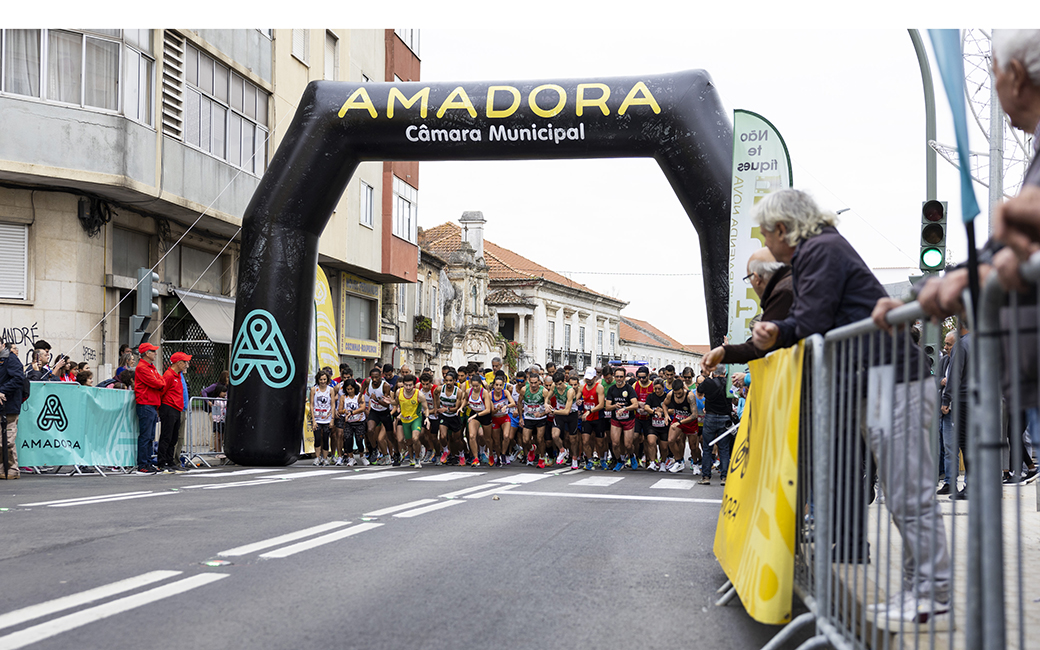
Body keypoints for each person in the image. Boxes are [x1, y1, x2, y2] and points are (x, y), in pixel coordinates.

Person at [752, 188, 951, 629]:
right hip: (881, 378)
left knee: (907, 493)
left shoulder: (819, 250)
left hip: (890, 379)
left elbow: (812, 319)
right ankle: (919, 592)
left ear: (782, 229)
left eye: (766, 234)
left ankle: (934, 596)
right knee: (903, 494)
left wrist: (775, 331)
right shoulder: (821, 248)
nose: (766, 244)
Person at [702, 248, 794, 373]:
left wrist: (725, 352)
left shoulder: (783, 293)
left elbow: (762, 345)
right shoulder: (794, 283)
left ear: (756, 278)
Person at [696, 368, 732, 485]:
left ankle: (706, 477)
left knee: (707, 448)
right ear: (724, 372)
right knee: (724, 449)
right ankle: (724, 477)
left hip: (710, 416)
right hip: (725, 417)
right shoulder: (729, 382)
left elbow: (699, 391)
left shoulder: (708, 382)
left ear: (713, 372)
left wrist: (709, 379)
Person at [133, 343, 165, 474]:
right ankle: (143, 464)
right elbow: (157, 383)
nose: (155, 353)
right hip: (146, 403)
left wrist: (160, 383)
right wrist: (160, 383)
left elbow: (160, 381)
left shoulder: (150, 367)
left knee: (150, 436)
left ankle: (147, 461)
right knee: (146, 436)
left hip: (151, 403)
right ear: (147, 353)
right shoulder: (142, 367)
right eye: (153, 351)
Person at [157, 351, 191, 473]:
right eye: (185, 362)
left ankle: (170, 461)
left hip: (177, 408)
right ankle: (161, 462)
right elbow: (162, 391)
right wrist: (159, 408)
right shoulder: (169, 375)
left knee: (173, 437)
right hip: (168, 407)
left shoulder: (177, 375)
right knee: (166, 436)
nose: (187, 364)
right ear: (178, 363)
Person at [604, 366, 639, 471]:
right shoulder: (612, 389)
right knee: (615, 443)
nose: (619, 379)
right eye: (617, 376)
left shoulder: (629, 389)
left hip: (628, 420)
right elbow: (607, 407)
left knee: (628, 445)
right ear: (614, 377)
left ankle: (632, 456)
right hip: (616, 420)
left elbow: (635, 405)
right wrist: (615, 406)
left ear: (624, 377)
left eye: (621, 377)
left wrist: (624, 409)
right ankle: (619, 461)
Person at [0, 342, 25, 480]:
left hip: (9, 405)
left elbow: (18, 379)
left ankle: (12, 469)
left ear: (3, 344)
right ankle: (2, 468)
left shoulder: (10, 359)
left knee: (7, 441)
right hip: (2, 405)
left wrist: (2, 391)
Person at [392, 374, 428, 468]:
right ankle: (410, 456)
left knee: (415, 438)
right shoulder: (398, 392)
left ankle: (417, 458)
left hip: (416, 418)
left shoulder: (419, 395)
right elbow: (396, 402)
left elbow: (426, 408)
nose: (408, 387)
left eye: (410, 385)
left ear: (414, 385)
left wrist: (427, 418)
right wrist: (390, 402)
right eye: (406, 385)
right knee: (409, 442)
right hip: (404, 420)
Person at [664, 379, 699, 473]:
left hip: (690, 421)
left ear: (682, 389)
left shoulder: (690, 396)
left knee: (693, 446)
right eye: (676, 393)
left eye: (679, 393)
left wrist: (680, 422)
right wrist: (666, 415)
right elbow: (664, 404)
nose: (678, 395)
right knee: (671, 440)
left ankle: (695, 463)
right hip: (678, 419)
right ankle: (679, 461)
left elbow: (694, 415)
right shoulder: (671, 394)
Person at [579, 367, 606, 470]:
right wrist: (578, 401)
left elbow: (601, 404)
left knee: (600, 442)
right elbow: (577, 397)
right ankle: (589, 461)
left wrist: (590, 411)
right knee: (585, 441)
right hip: (587, 419)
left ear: (595, 377)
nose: (588, 380)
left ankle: (602, 459)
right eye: (587, 378)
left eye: (590, 378)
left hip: (597, 417)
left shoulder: (599, 387)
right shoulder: (583, 387)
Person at [339, 379, 367, 466]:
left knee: (359, 440)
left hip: (359, 421)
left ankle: (362, 456)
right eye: (348, 389)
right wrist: (345, 411)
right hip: (348, 422)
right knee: (348, 440)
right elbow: (339, 410)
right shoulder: (343, 397)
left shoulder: (359, 396)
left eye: (351, 389)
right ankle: (351, 458)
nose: (350, 391)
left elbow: (362, 408)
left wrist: (352, 413)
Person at [310, 371, 335, 466]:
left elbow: (332, 405)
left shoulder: (330, 390)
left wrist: (332, 419)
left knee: (325, 438)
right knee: (317, 438)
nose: (322, 381)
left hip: (327, 419)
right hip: (317, 418)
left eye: (324, 379)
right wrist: (313, 420)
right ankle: (317, 457)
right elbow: (312, 405)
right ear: (318, 380)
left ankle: (325, 458)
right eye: (321, 379)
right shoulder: (314, 390)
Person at [211, 384, 227, 454]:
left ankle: (221, 452)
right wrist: (217, 420)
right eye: (223, 392)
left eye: (225, 392)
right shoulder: (216, 400)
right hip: (218, 420)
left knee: (222, 437)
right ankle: (218, 451)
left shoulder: (225, 399)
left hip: (224, 420)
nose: (225, 393)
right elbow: (215, 411)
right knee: (218, 437)